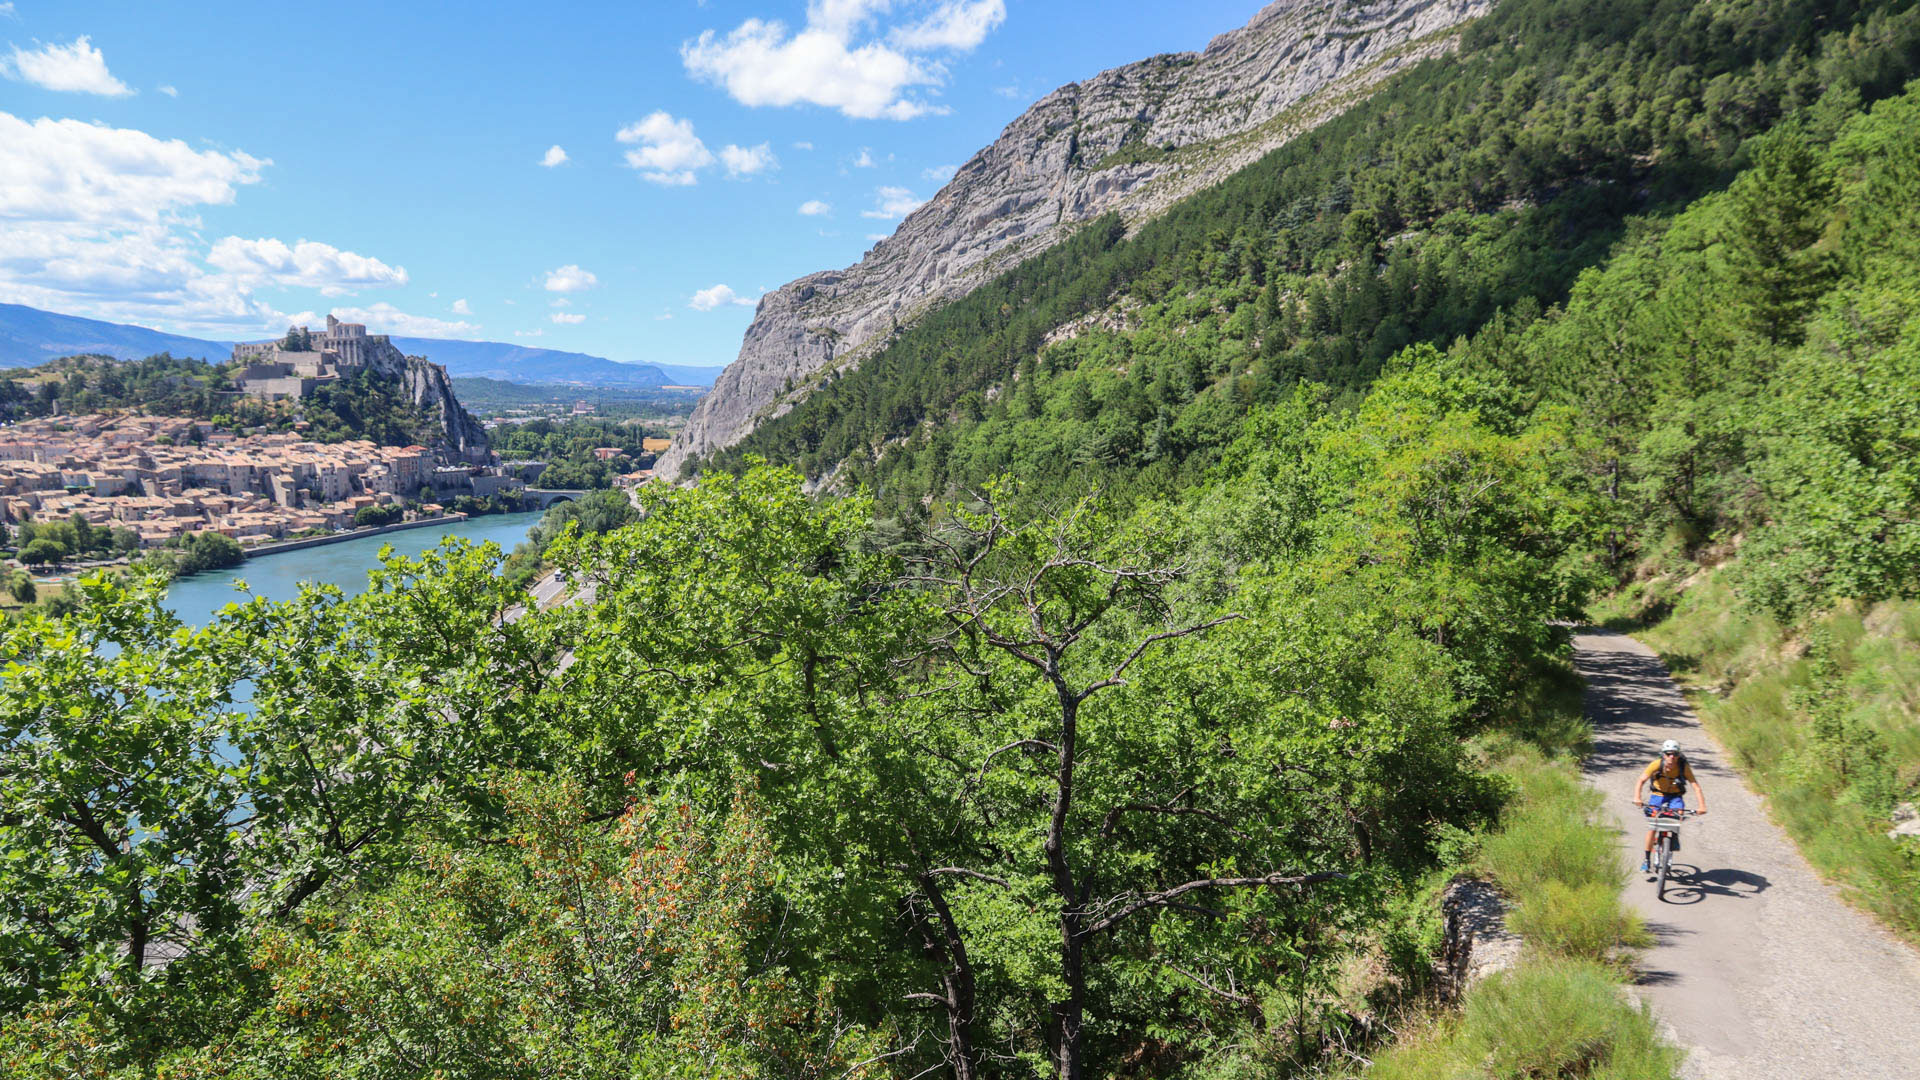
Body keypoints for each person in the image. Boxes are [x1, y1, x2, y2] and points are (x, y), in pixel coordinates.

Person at [1633, 738, 1708, 873]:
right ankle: (1646, 859)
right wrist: (1637, 797)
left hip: (1675, 796)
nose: (1672, 757)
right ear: (1663, 754)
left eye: (1675, 754)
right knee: (1653, 826)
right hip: (1658, 795)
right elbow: (1641, 780)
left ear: (1679, 755)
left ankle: (1674, 837)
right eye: (1668, 754)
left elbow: (1696, 786)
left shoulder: (1683, 767)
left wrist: (1702, 806)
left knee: (1678, 815)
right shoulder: (1656, 764)